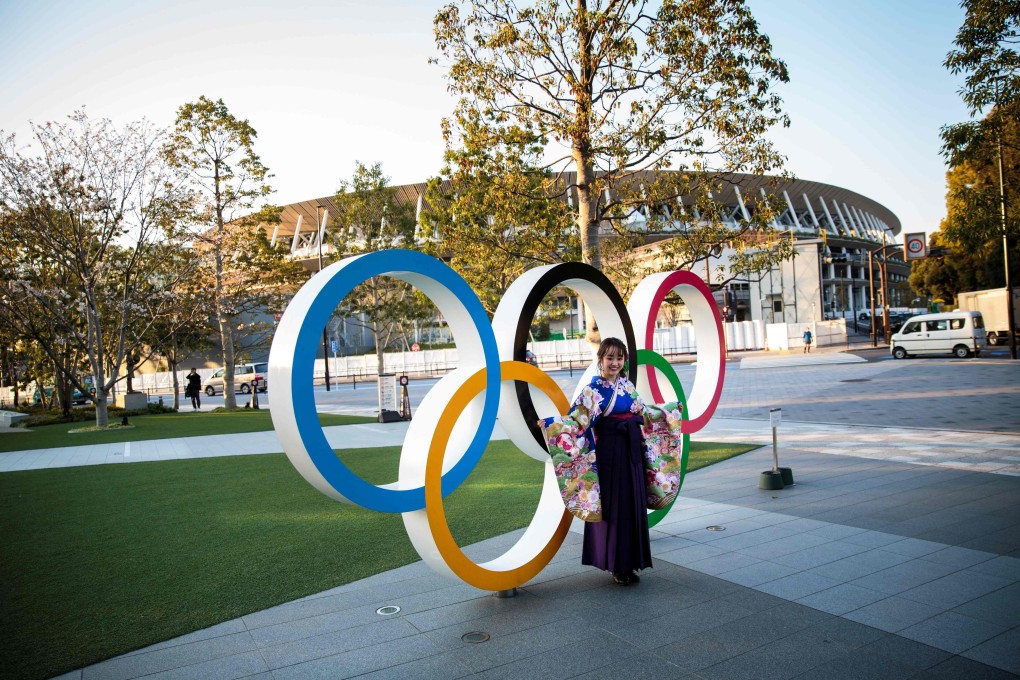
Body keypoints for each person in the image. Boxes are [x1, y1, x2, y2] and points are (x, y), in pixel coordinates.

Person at [544, 337, 653, 585]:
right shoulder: (592, 391)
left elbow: (644, 414)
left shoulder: (628, 386)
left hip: (631, 452)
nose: (614, 363)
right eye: (610, 358)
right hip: (610, 455)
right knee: (615, 509)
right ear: (600, 359)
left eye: (619, 358)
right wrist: (552, 425)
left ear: (624, 360)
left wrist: (670, 412)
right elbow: (577, 422)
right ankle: (616, 565)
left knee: (631, 506)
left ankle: (631, 562)